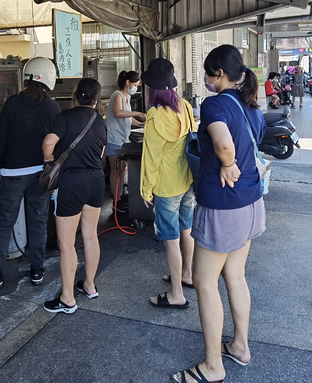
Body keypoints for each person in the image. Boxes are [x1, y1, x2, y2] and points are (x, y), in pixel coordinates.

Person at [172, 45, 266, 383]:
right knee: (236, 276)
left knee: (204, 282)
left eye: (208, 75)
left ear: (220, 75)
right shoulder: (248, 104)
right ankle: (240, 346)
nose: (206, 81)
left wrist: (227, 164)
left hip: (223, 205)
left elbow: (224, 145)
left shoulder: (214, 104)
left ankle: (213, 366)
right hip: (251, 202)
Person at [0, 57, 61, 290]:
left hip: (12, 173)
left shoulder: (11, 103)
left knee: (4, 223)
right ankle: (37, 270)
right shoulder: (53, 108)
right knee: (38, 221)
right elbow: (56, 144)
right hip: (41, 173)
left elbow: (1, 138)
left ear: (27, 77)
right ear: (49, 79)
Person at [40, 78, 107, 313]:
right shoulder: (99, 121)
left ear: (74, 96)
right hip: (96, 181)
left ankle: (67, 299)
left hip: (71, 183)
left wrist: (50, 160)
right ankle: (89, 285)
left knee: (66, 243)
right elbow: (101, 151)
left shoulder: (64, 117)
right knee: (90, 236)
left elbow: (48, 142)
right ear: (97, 101)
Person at [139, 59, 196, 310]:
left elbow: (152, 158)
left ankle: (176, 294)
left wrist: (145, 189)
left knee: (170, 238)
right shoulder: (184, 106)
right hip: (188, 180)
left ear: (152, 89)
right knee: (187, 229)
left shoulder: (155, 115)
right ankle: (187, 274)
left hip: (166, 187)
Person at [106, 71, 146, 200]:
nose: (136, 88)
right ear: (128, 82)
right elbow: (118, 113)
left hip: (123, 138)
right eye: (135, 85)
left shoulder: (127, 97)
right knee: (116, 170)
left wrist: (141, 124)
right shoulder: (117, 95)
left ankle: (121, 197)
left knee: (122, 168)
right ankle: (116, 200)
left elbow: (127, 118)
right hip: (113, 138)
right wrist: (137, 113)